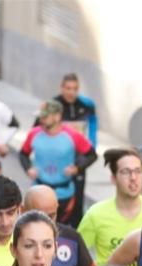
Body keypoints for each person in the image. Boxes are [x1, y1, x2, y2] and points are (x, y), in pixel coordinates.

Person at [77, 148, 142, 266]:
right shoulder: (95, 215)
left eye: (138, 171)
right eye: (125, 172)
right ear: (113, 179)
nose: (133, 177)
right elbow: (74, 255)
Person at [19, 100, 97, 228]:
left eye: (45, 116)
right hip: (39, 191)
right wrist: (28, 168)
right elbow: (23, 153)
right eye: (41, 116)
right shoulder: (34, 133)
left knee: (60, 231)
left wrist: (77, 167)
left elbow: (91, 154)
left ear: (57, 116)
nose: (42, 120)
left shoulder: (72, 135)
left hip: (63, 192)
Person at [50, 73, 98, 220]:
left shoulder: (87, 105)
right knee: (56, 202)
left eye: (75, 88)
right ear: (62, 88)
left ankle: (75, 235)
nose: (71, 92)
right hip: (58, 160)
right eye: (68, 88)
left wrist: (90, 149)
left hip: (79, 159)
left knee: (77, 201)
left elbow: (93, 128)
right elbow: (39, 130)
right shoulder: (53, 105)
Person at [22, 185, 93, 266]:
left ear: (57, 208)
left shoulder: (71, 237)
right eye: (39, 216)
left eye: (51, 216)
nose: (46, 223)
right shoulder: (13, 240)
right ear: (23, 210)